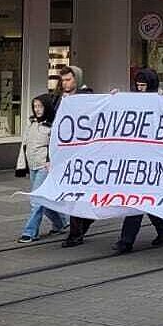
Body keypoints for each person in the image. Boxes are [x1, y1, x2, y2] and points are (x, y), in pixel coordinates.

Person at [113, 68, 163, 254]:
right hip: (137, 159)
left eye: (143, 86)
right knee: (143, 199)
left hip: (153, 160)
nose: (140, 90)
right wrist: (115, 99)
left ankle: (126, 241)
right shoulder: (135, 101)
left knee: (138, 200)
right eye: (138, 86)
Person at [15, 93, 66, 242]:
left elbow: (56, 146)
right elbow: (25, 145)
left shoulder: (52, 125)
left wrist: (50, 161)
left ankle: (30, 232)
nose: (37, 109)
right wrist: (21, 165)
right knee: (45, 199)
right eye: (35, 106)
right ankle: (61, 223)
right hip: (32, 165)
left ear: (47, 107)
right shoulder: (31, 123)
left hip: (45, 166)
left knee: (36, 199)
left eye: (40, 106)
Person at [59, 65, 97, 248]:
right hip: (66, 154)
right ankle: (81, 226)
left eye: (68, 80)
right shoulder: (60, 99)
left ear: (77, 80)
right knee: (74, 195)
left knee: (77, 195)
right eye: (63, 80)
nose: (65, 83)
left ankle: (75, 233)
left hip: (84, 155)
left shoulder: (87, 97)